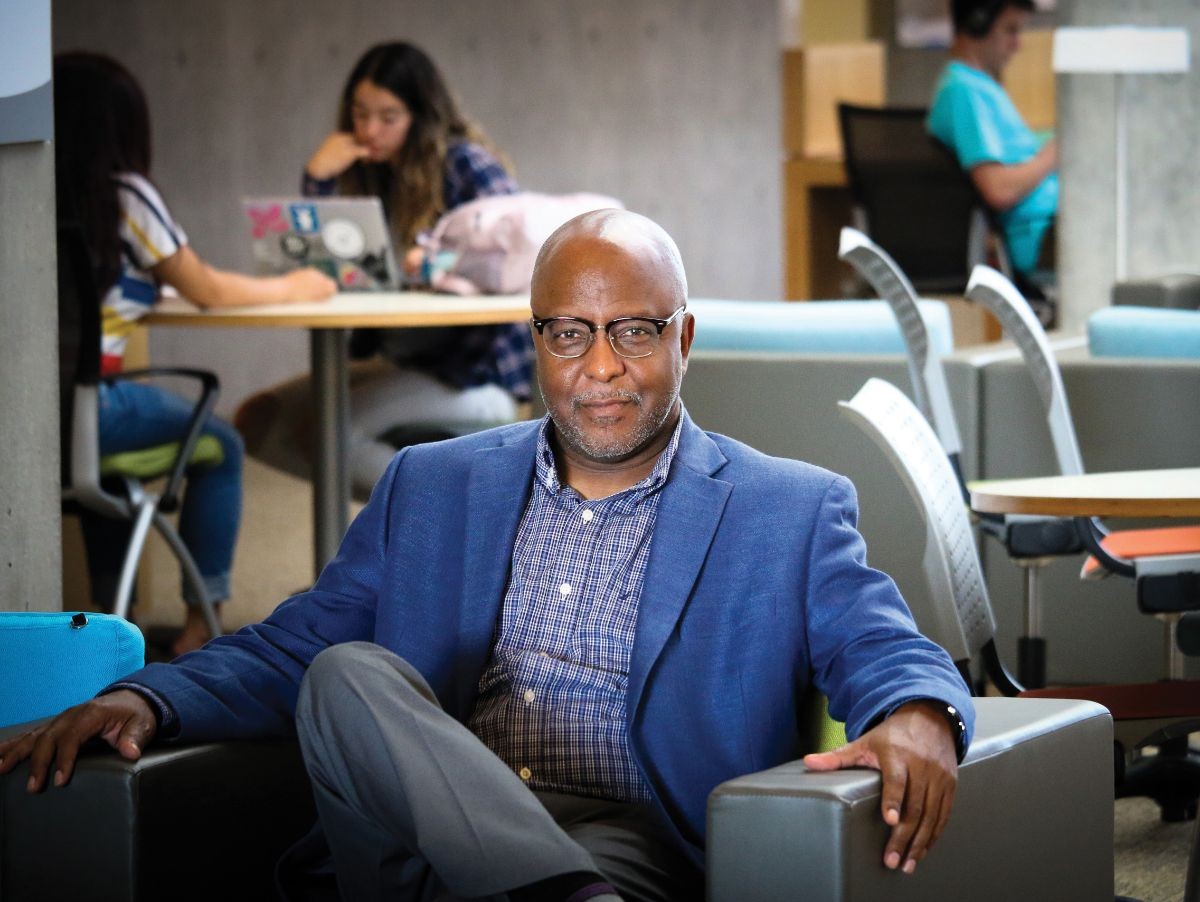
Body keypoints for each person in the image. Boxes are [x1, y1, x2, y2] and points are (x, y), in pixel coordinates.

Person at [1, 209, 973, 901]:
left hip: (629, 845)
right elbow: (291, 645)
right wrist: (143, 696)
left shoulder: (787, 509)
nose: (601, 366)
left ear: (682, 335)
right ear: (536, 342)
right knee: (347, 670)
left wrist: (922, 711)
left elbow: (881, 643)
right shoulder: (433, 482)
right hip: (417, 833)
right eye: (570, 334)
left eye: (633, 331)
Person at [53, 52, 338, 656]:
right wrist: (296, 286)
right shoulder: (122, 196)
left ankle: (111, 625)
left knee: (106, 470)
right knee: (222, 444)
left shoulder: (31, 193)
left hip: (30, 421)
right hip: (88, 409)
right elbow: (205, 287)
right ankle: (197, 628)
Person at [238, 40, 535, 498]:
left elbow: (518, 255)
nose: (369, 129)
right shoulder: (372, 174)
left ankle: (449, 516)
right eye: (359, 113)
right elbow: (326, 274)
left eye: (387, 117)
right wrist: (318, 180)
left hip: (475, 373)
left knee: (331, 433)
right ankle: (404, 521)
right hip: (404, 360)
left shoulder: (464, 165)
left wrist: (436, 266)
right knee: (260, 420)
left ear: (420, 117)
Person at [926, 0, 1057, 290]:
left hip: (1056, 225)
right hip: (1044, 235)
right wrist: (1053, 156)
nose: (1017, 44)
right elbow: (998, 188)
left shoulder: (982, 87)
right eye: (1010, 30)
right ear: (977, 24)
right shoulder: (963, 90)